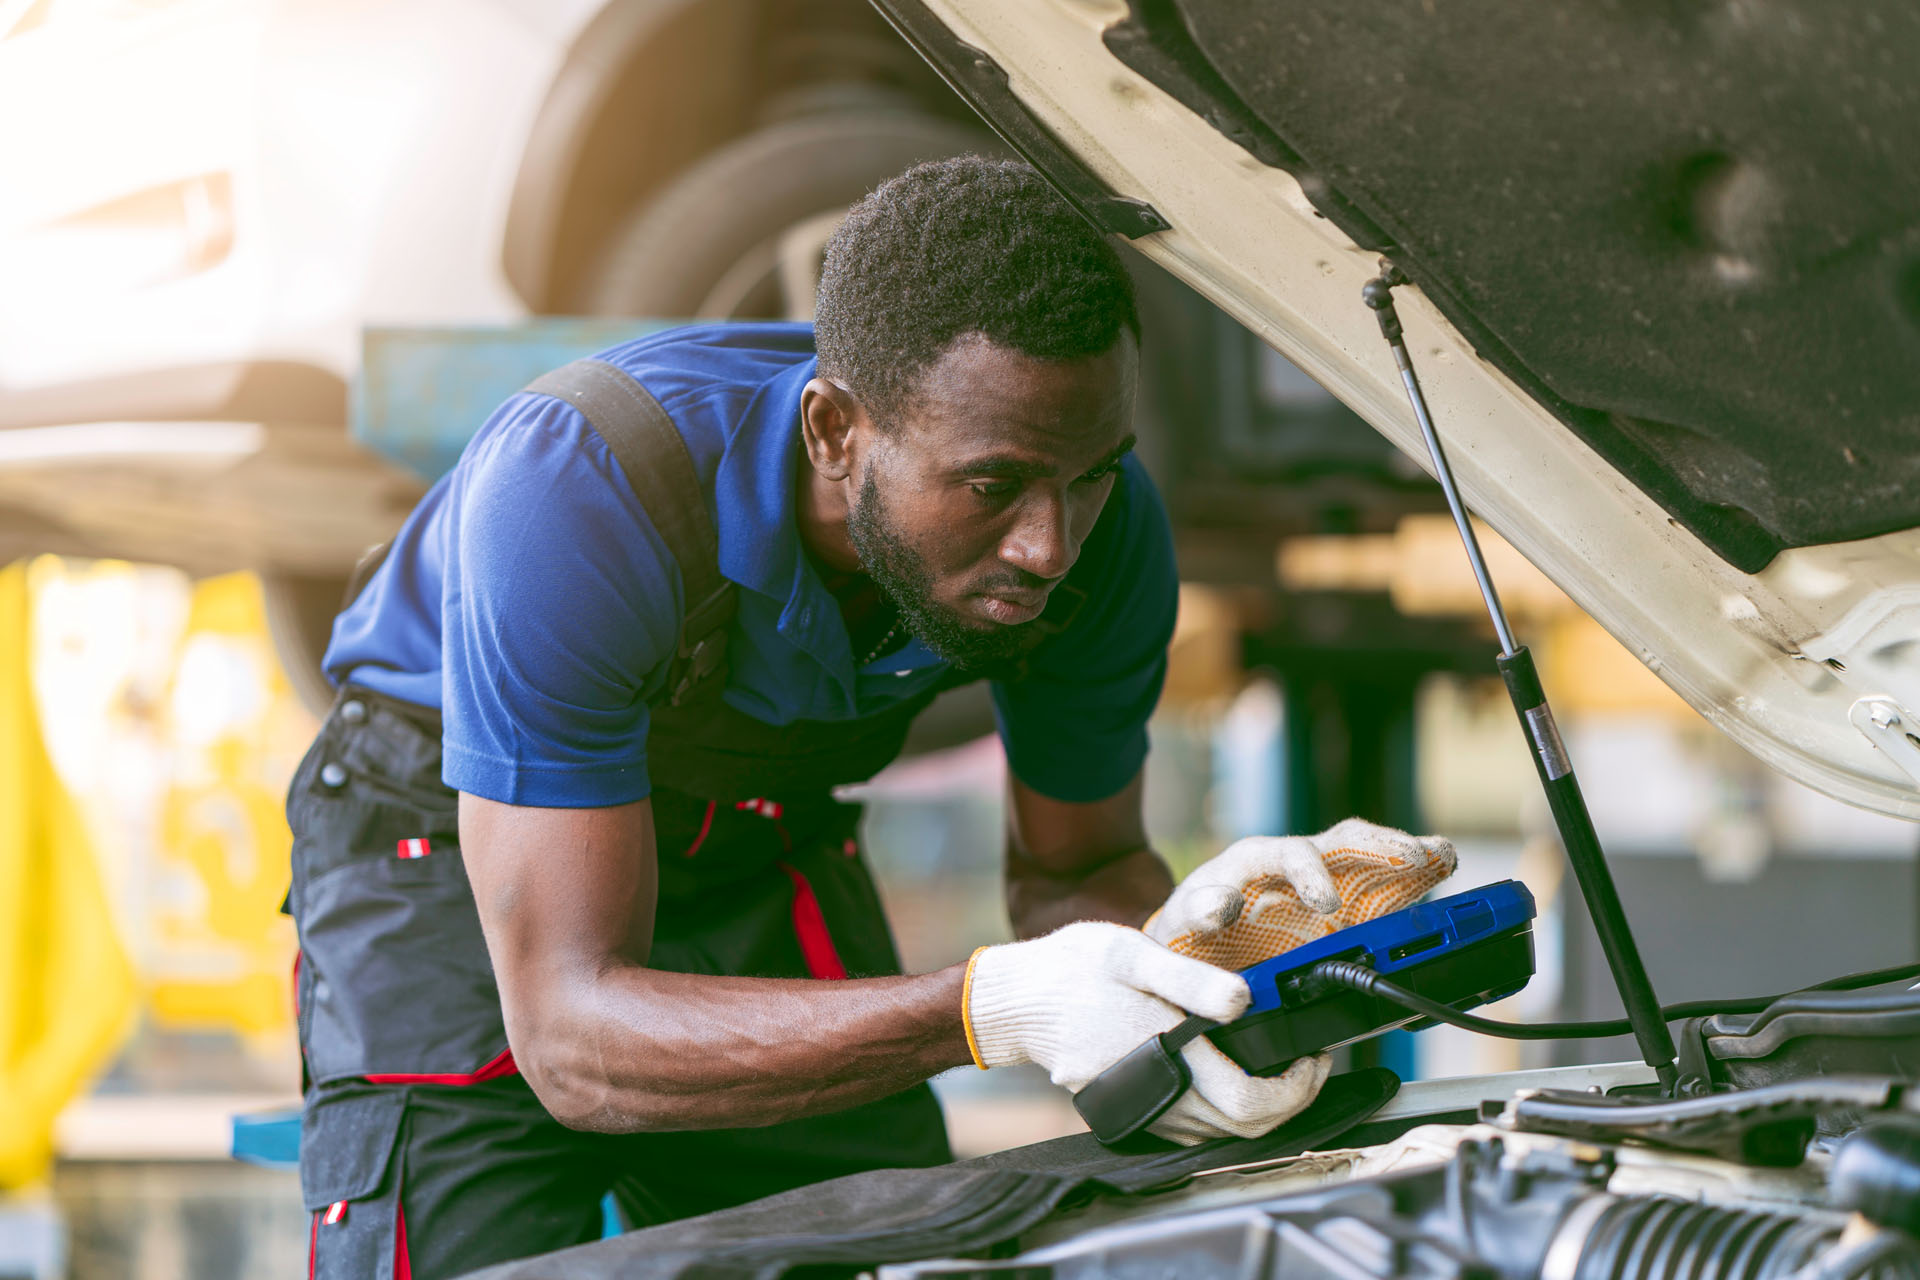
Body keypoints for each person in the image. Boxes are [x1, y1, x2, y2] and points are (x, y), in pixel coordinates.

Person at [287, 156, 1455, 1279]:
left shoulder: (1110, 533)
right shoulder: (585, 486)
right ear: (835, 431)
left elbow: (1080, 865)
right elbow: (576, 1038)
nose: (1050, 545)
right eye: (993, 484)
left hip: (754, 833)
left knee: (899, 1252)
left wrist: (1196, 975)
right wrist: (994, 1004)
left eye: (1089, 474)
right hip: (452, 856)